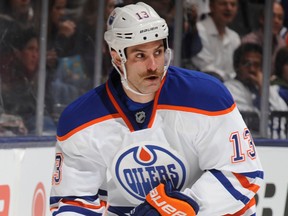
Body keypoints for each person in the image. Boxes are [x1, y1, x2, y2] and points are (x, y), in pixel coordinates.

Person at [50, 2, 263, 215]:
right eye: (140, 55)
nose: (153, 65)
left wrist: (176, 208)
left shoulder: (206, 97)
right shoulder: (81, 120)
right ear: (116, 57)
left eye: (158, 52)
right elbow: (74, 202)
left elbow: (243, 174)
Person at [225, 43, 288, 113]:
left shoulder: (263, 86)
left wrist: (263, 87)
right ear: (236, 66)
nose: (252, 69)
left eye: (257, 65)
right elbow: (252, 118)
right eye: (247, 64)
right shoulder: (229, 89)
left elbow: (282, 113)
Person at [191, 0, 241, 81]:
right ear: (211, 7)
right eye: (223, 4)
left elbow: (237, 69)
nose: (229, 8)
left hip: (231, 86)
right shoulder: (199, 31)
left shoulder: (235, 37)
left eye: (233, 4)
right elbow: (205, 67)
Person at [241, 2, 286, 72]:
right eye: (272, 16)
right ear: (262, 19)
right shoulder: (249, 42)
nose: (277, 21)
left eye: (280, 18)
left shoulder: (281, 44)